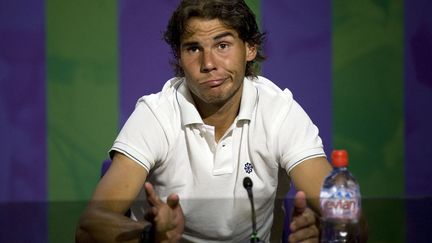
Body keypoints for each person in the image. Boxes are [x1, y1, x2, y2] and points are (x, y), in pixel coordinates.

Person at [76, 0, 367, 242]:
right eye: (193, 48)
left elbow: (352, 221)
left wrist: (331, 230)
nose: (208, 63)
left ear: (249, 49)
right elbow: (88, 228)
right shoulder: (156, 113)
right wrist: (149, 235)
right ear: (179, 55)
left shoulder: (279, 110)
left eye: (223, 45)